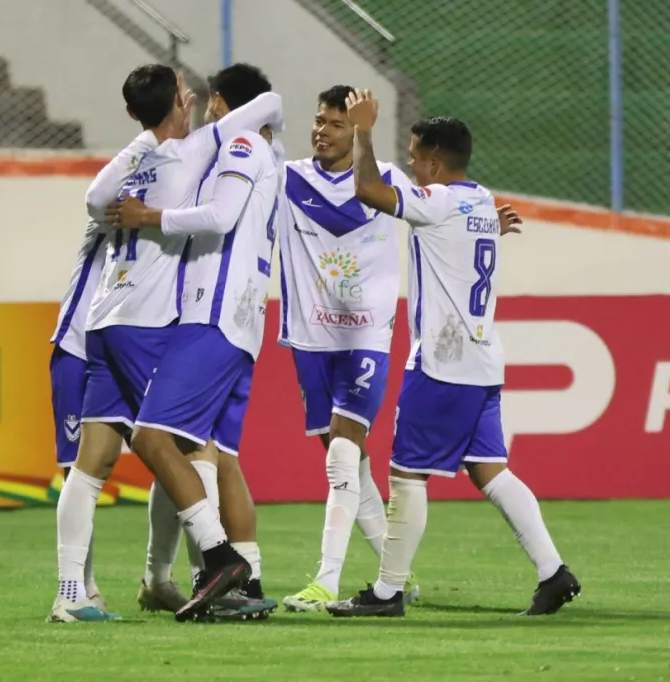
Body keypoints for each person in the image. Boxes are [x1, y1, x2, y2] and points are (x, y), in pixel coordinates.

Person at [326, 90, 581, 618]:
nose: (414, 166)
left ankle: (388, 592)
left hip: (443, 364)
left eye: (417, 157)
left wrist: (364, 132)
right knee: (491, 471)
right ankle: (554, 572)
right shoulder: (483, 201)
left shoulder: (439, 201)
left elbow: (370, 189)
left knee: (406, 475)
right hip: (484, 361)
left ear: (436, 162)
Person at [49, 64, 283, 623]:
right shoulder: (196, 151)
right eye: (189, 97)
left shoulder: (134, 165)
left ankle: (72, 593)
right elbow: (269, 103)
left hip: (101, 320)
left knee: (92, 464)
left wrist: (149, 132)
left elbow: (93, 197)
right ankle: (220, 565)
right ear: (185, 101)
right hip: (148, 323)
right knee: (187, 446)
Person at [278, 85, 418, 612]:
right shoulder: (287, 179)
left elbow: (437, 214)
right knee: (351, 468)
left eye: (336, 124)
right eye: (319, 121)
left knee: (341, 454)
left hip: (367, 337)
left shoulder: (386, 183)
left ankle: (326, 581)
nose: (321, 131)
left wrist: (484, 229)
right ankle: (394, 575)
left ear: (355, 130)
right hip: (310, 342)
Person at [48, 216, 107, 612]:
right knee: (77, 471)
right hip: (77, 351)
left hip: (123, 351)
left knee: (172, 452)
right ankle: (77, 590)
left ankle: (164, 577)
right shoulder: (110, 211)